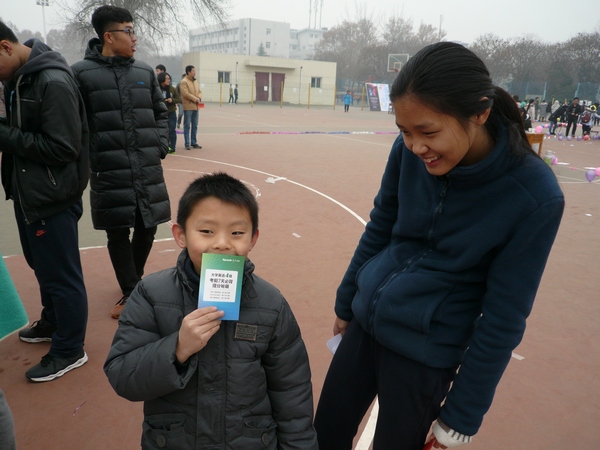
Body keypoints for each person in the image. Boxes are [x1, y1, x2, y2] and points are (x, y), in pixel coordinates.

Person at [314, 42, 564, 450]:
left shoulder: (534, 195)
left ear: (480, 113)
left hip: (424, 355)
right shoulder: (409, 152)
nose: (415, 147)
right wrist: (347, 303)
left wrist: (460, 418)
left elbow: (504, 317)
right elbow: (381, 226)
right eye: (404, 132)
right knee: (321, 437)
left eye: (428, 132)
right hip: (366, 326)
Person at [104, 172, 318, 449]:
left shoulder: (270, 304)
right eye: (206, 231)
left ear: (252, 239)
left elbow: (292, 391)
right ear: (180, 234)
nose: (221, 243)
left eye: (237, 233)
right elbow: (122, 375)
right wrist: (177, 349)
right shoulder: (151, 294)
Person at [0, 22, 90, 382]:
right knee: (42, 266)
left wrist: (4, 136)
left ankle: (70, 349)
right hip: (29, 193)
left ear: (5, 47)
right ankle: (53, 321)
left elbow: (63, 147)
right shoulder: (19, 78)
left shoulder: (52, 80)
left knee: (62, 276)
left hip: (53, 196)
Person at [72, 5, 171, 319]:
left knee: (148, 226)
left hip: (147, 166)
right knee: (117, 231)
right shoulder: (80, 74)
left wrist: (160, 145)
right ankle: (132, 290)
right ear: (109, 36)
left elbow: (160, 113)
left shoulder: (144, 72)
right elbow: (75, 122)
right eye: (128, 31)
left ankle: (133, 283)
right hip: (108, 167)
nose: (134, 38)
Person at [180, 65, 203, 150]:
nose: (195, 72)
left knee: (195, 125)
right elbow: (185, 94)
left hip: (196, 107)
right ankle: (187, 143)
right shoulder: (184, 82)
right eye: (193, 71)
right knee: (187, 125)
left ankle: (194, 142)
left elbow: (200, 92)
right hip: (188, 106)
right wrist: (195, 99)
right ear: (188, 72)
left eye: (194, 71)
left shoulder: (195, 82)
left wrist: (199, 98)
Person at [157, 71, 181, 153]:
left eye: (169, 78)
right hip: (160, 112)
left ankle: (172, 146)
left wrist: (172, 100)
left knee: (171, 129)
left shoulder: (172, 89)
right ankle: (162, 146)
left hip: (171, 112)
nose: (168, 80)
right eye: (166, 78)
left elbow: (179, 99)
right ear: (161, 79)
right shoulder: (157, 89)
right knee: (161, 130)